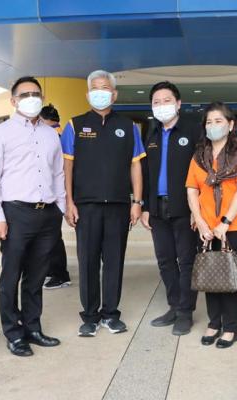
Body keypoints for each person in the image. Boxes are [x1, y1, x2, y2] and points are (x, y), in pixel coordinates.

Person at [61, 70, 146, 337]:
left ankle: (110, 314)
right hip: (85, 206)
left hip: (119, 205)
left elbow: (136, 166)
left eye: (105, 88)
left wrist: (137, 202)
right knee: (87, 261)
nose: (101, 92)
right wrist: (69, 202)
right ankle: (90, 316)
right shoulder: (74, 125)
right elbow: (67, 167)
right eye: (96, 88)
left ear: (114, 94)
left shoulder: (129, 127)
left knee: (114, 261)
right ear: (88, 94)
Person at [0, 76, 65, 356]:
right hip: (15, 213)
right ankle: (13, 333)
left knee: (36, 276)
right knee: (11, 276)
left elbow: (58, 174)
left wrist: (61, 208)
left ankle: (33, 328)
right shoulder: (0, 134)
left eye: (36, 94)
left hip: (47, 214)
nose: (31, 98)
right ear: (13, 101)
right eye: (25, 94)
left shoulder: (50, 135)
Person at [186, 102, 237, 348]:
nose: (213, 126)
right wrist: (200, 221)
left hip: (233, 226)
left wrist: (225, 222)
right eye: (209, 122)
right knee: (209, 274)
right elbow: (192, 190)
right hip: (204, 226)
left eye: (219, 121)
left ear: (231, 125)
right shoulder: (199, 155)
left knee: (228, 276)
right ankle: (214, 323)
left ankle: (230, 327)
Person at [141, 81, 199, 336]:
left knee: (186, 261)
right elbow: (145, 173)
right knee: (165, 261)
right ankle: (174, 306)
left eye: (167, 100)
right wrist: (145, 206)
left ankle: (185, 312)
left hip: (185, 207)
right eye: (156, 102)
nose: (161, 105)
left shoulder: (193, 130)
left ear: (178, 103)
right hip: (157, 208)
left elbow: (202, 170)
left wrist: (199, 210)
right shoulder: (152, 134)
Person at [39, 104, 71, 289]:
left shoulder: (56, 139)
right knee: (46, 237)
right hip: (44, 195)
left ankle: (60, 274)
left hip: (55, 195)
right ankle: (51, 271)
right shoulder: (55, 136)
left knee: (53, 238)